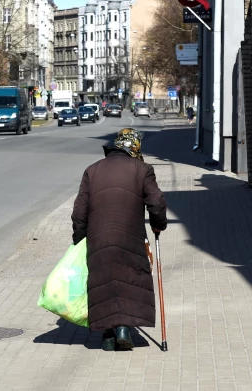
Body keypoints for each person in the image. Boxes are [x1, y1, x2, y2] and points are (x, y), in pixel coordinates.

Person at [71, 128, 168, 351]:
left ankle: (107, 336)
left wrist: (79, 238)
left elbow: (79, 211)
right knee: (129, 279)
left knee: (103, 282)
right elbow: (156, 201)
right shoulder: (143, 170)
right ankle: (124, 328)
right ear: (134, 149)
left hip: (98, 238)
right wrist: (158, 224)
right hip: (130, 237)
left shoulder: (92, 171)